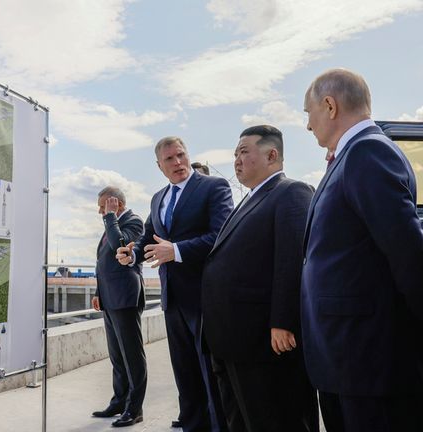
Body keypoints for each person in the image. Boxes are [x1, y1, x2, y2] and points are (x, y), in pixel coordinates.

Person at [301, 68, 423, 431]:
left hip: (367, 359)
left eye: (308, 113)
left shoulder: (367, 151)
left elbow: (407, 252)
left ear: (329, 105)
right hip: (347, 356)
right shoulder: (350, 155)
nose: (308, 125)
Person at [201, 125, 317, 432]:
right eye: (235, 154)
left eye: (243, 152)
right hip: (231, 341)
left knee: (275, 419)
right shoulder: (249, 199)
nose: (236, 160)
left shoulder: (291, 192)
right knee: (240, 421)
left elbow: (292, 261)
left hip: (264, 342)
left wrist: (284, 321)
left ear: (272, 154)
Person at [117, 137, 233, 432]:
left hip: (205, 298)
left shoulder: (213, 187)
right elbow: (148, 238)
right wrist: (131, 256)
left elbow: (222, 235)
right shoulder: (158, 198)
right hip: (173, 301)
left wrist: (177, 250)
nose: (178, 162)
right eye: (170, 159)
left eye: (181, 155)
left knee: (212, 378)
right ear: (160, 166)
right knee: (186, 379)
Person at [90, 186, 147, 427]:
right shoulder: (111, 223)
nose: (100, 211)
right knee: (117, 355)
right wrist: (98, 292)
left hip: (125, 297)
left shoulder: (133, 221)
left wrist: (110, 217)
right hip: (110, 297)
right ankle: (119, 401)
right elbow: (103, 262)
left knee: (131, 355)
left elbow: (119, 246)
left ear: (117, 204)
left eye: (104, 206)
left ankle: (135, 408)